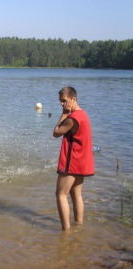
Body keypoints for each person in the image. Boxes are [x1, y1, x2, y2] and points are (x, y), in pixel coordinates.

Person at [53, 86, 94, 231]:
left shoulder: (72, 118)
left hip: (72, 162)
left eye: (64, 101)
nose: (62, 104)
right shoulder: (83, 114)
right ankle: (79, 226)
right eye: (60, 101)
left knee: (60, 195)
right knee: (76, 194)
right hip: (82, 161)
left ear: (73, 99)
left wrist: (64, 114)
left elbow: (56, 132)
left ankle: (66, 231)